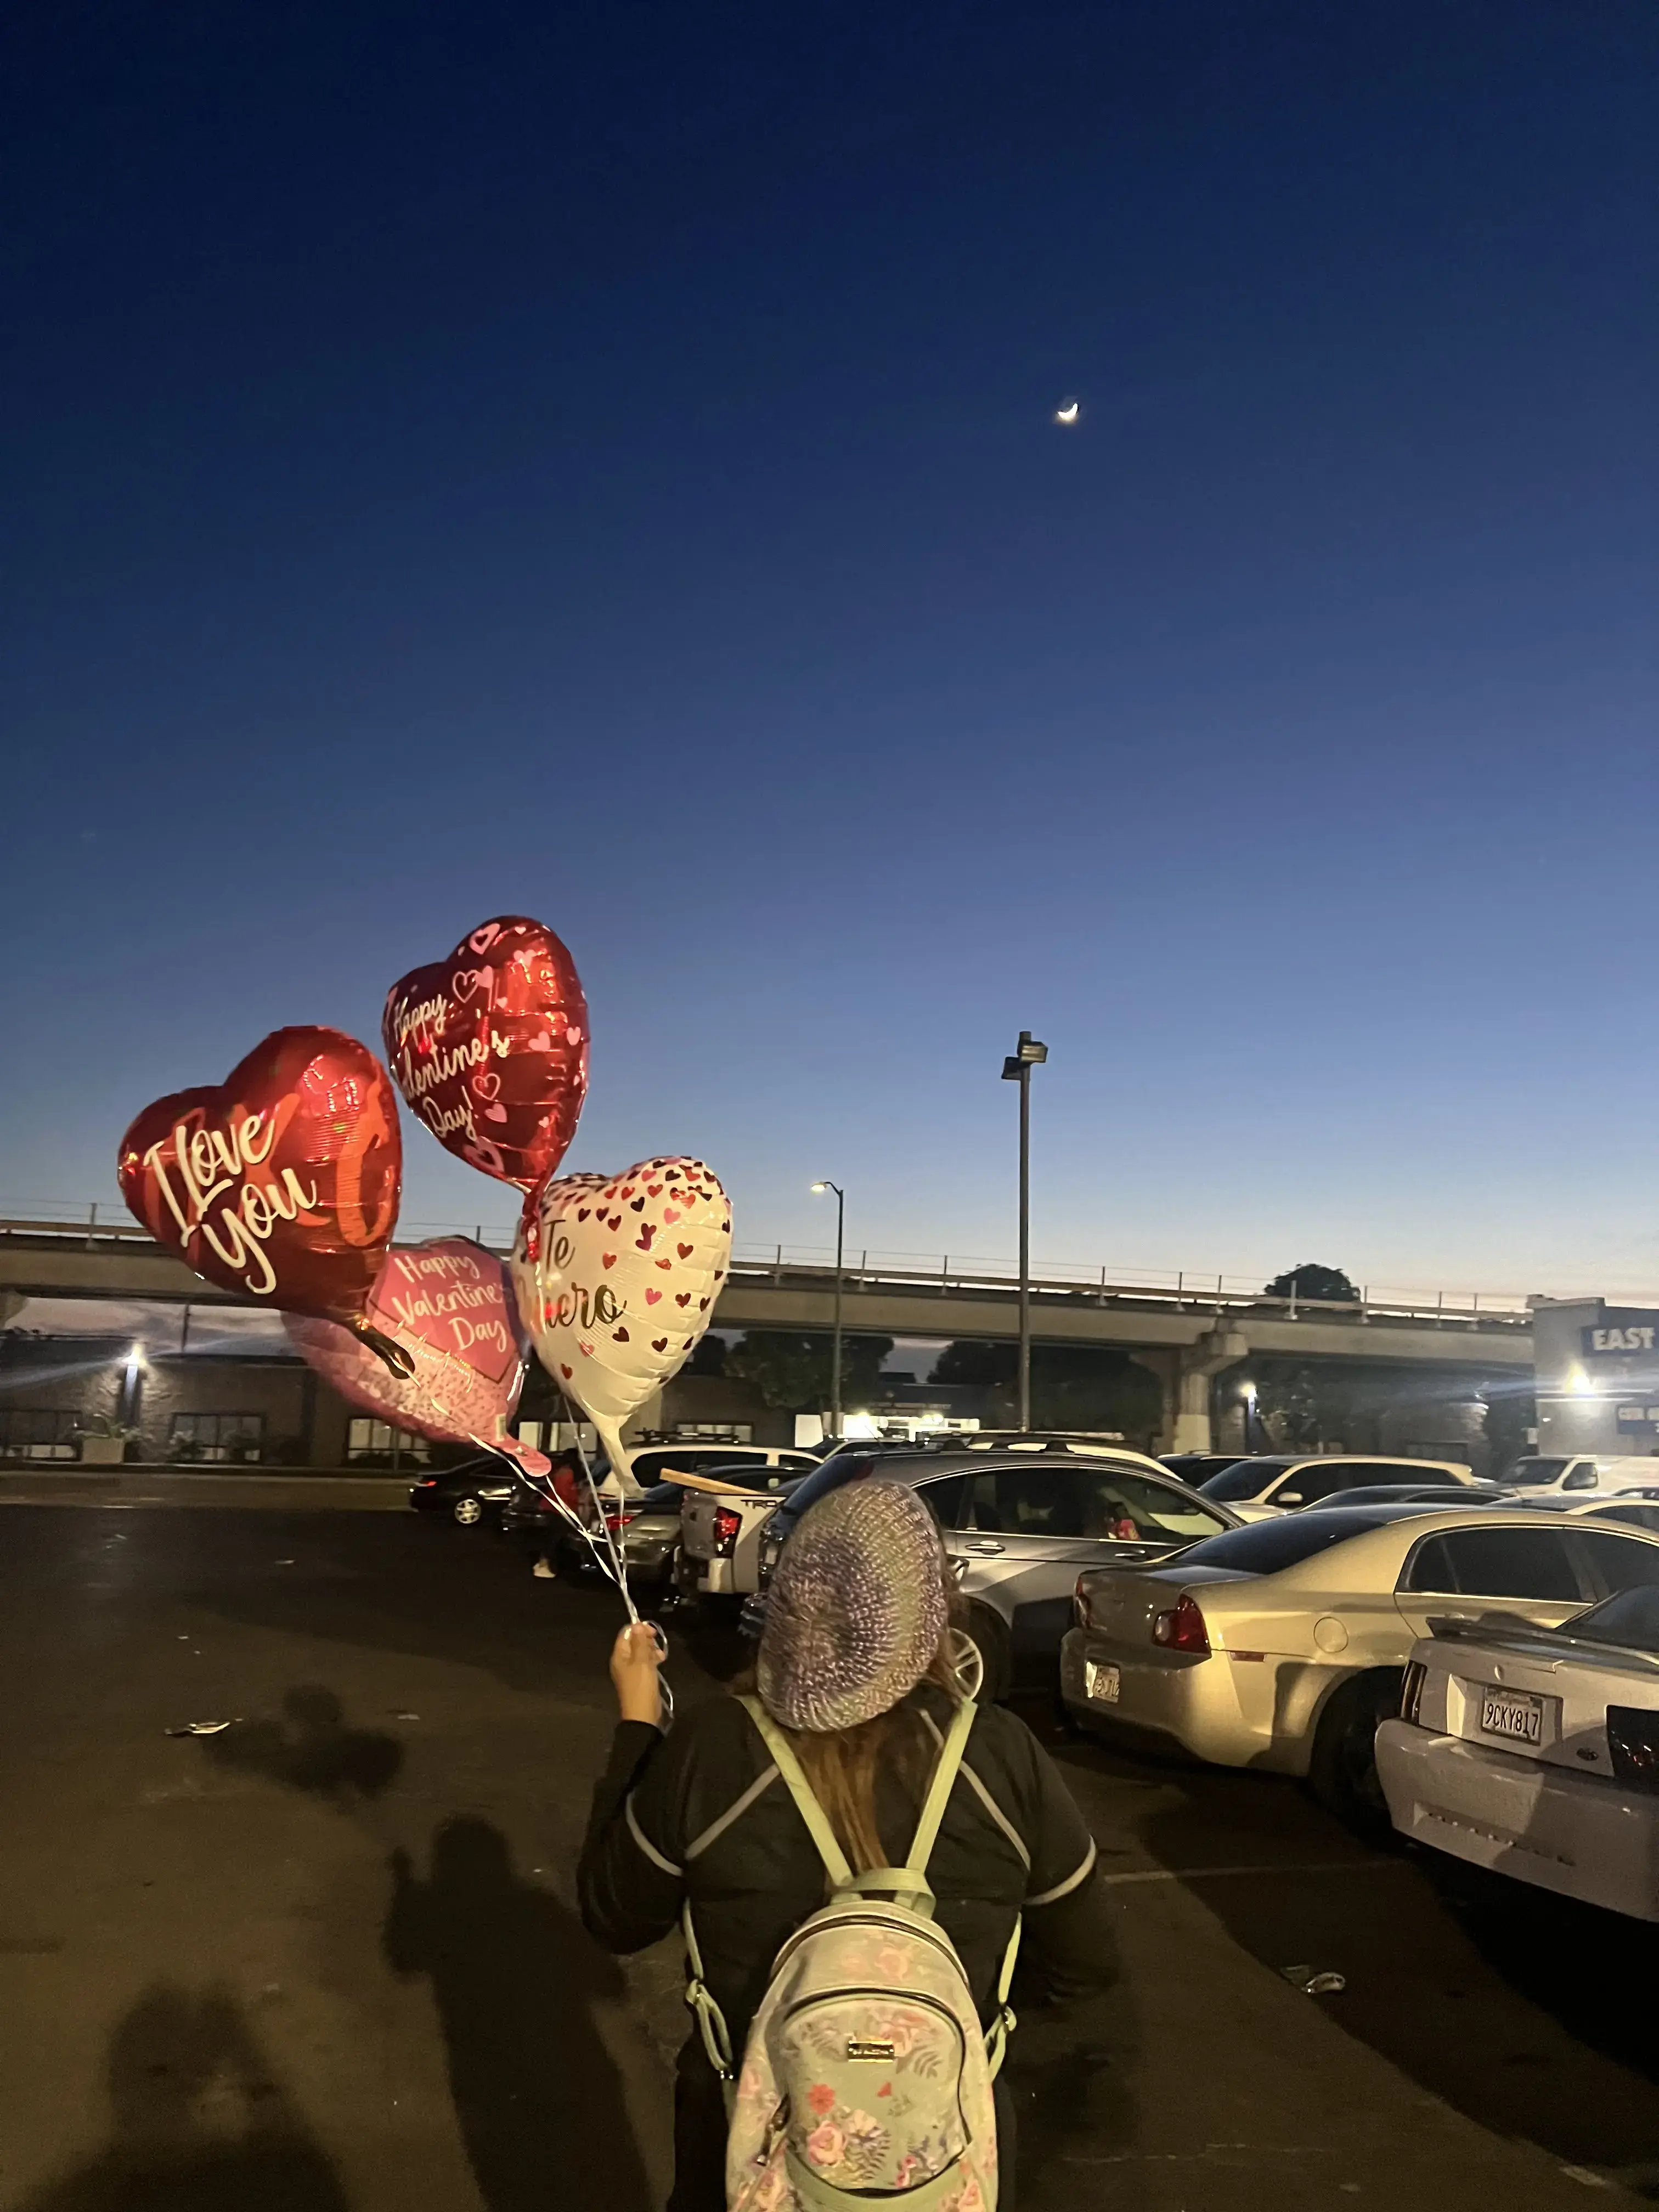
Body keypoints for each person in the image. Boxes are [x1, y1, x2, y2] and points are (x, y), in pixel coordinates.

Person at [578, 1479, 1116, 2210]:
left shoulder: (715, 1747)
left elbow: (615, 1915)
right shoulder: (998, 1754)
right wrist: (941, 2007)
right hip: (942, 2160)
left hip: (740, 2145)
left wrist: (639, 1727)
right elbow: (1083, 1963)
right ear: (931, 1612)